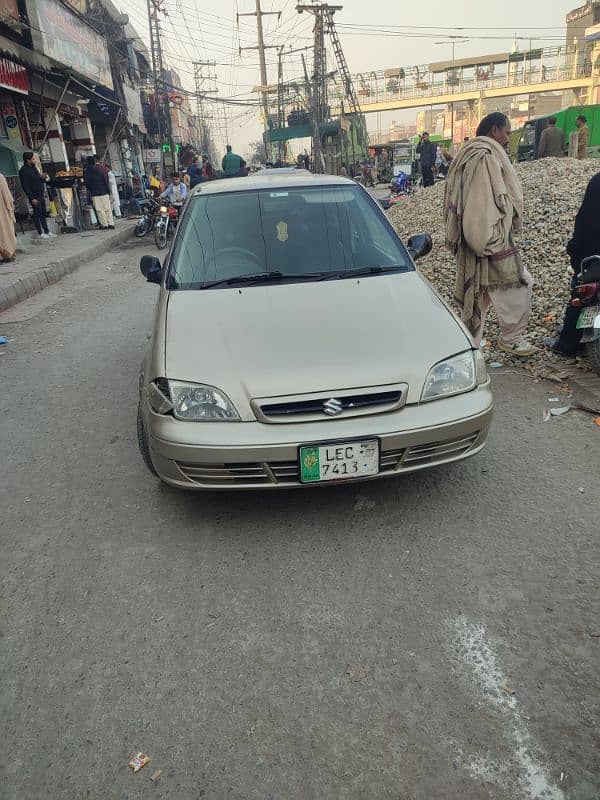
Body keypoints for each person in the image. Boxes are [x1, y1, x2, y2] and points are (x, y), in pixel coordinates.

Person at [444, 112, 537, 357]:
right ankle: (511, 338)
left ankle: (471, 345)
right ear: (494, 130)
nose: (508, 138)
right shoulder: (484, 157)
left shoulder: (472, 152)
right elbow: (480, 203)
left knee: (479, 294)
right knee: (520, 284)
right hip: (486, 239)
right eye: (506, 132)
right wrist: (486, 240)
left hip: (479, 238)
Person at [545, 171, 600, 356]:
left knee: (580, 291)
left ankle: (567, 343)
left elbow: (585, 222)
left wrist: (574, 248)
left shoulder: (597, 181)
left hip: (591, 253)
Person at [19, 152, 56, 239]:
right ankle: (40, 232)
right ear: (28, 160)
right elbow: (25, 186)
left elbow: (39, 179)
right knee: (37, 214)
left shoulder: (34, 168)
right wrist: (31, 198)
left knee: (43, 213)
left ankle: (47, 231)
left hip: (41, 194)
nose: (34, 160)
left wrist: (43, 178)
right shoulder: (23, 171)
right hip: (34, 196)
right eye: (33, 159)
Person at [83, 155, 114, 230]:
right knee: (107, 208)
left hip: (95, 193)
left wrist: (90, 190)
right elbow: (105, 180)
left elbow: (87, 183)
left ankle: (104, 225)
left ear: (87, 162)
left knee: (100, 210)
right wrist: (108, 191)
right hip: (104, 191)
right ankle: (111, 224)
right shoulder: (100, 169)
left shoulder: (86, 171)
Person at [0, 172, 16, 261]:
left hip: (3, 210)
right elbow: (8, 195)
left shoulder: (0, 177)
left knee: (5, 231)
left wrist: (9, 206)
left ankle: (8, 254)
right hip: (3, 209)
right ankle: (7, 254)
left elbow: (6, 194)